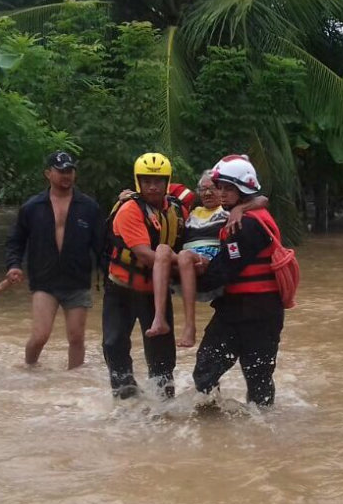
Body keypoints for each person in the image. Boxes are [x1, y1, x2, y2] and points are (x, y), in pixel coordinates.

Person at [192, 155, 286, 407]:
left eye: (228, 188)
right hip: (247, 312)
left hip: (253, 315)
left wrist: (184, 282)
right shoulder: (251, 215)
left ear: (242, 189)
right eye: (220, 187)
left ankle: (243, 432)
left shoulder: (245, 225)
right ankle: (221, 424)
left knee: (252, 381)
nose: (221, 193)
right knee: (211, 373)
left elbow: (223, 272)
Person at [147, 169, 268, 347]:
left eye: (213, 188)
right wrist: (130, 194)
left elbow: (262, 199)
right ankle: (159, 319)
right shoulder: (189, 211)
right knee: (162, 250)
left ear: (222, 190)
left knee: (185, 256)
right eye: (203, 189)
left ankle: (190, 327)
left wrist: (241, 208)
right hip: (185, 258)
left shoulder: (229, 210)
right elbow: (154, 190)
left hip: (208, 261)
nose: (208, 193)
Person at [5, 151, 103, 369]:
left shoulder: (89, 207)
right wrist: (13, 265)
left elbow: (101, 246)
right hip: (44, 282)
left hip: (77, 280)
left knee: (77, 338)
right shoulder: (32, 207)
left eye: (70, 171)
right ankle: (28, 369)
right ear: (48, 173)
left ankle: (73, 381)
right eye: (61, 171)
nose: (66, 175)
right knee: (40, 335)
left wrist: (110, 275)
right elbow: (16, 240)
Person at [101, 152, 186, 399]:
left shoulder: (178, 209)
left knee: (162, 352)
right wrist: (187, 265)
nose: (152, 186)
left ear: (167, 182)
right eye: (147, 180)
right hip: (122, 289)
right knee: (114, 343)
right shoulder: (129, 210)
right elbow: (147, 256)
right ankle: (125, 396)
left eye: (159, 181)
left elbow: (209, 198)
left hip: (155, 292)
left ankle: (164, 400)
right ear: (139, 181)